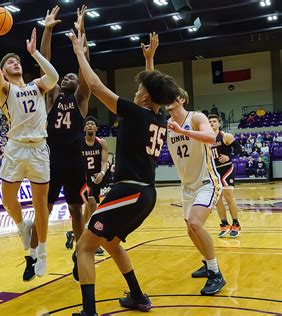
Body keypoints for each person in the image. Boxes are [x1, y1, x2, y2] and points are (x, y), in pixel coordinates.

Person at [68, 31, 180, 315]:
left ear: (144, 97)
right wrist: (150, 60)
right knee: (111, 243)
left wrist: (80, 52)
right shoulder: (159, 117)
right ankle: (139, 296)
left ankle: (89, 312)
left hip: (128, 191)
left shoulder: (135, 112)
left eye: (140, 88)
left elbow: (94, 85)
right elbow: (155, 90)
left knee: (83, 247)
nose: (137, 91)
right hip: (146, 194)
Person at [0, 18, 59, 278]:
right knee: (7, 199)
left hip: (38, 148)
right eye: (9, 63)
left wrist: (34, 53)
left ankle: (42, 254)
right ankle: (21, 226)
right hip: (15, 148)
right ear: (5, 72)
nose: (14, 63)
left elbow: (54, 76)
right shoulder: (4, 89)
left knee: (41, 205)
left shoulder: (37, 86)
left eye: (16, 61)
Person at [24, 5, 91, 282]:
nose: (68, 77)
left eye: (72, 77)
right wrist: (48, 29)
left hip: (74, 161)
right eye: (65, 76)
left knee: (76, 209)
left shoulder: (82, 99)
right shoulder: (50, 97)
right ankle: (32, 256)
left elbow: (85, 69)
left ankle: (79, 253)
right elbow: (45, 61)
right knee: (44, 209)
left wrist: (81, 33)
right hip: (50, 161)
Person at [167, 89, 226, 296]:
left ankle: (216, 273)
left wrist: (183, 132)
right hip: (187, 186)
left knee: (195, 223)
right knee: (190, 231)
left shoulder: (196, 117)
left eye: (172, 96)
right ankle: (208, 263)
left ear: (182, 99)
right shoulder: (166, 125)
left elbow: (210, 137)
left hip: (206, 182)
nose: (167, 100)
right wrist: (148, 61)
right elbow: (153, 88)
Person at [208, 114, 242, 238]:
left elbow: (239, 148)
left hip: (226, 169)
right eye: (209, 121)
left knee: (229, 197)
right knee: (217, 200)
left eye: (214, 121)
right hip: (214, 171)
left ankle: (236, 224)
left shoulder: (225, 136)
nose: (211, 123)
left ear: (219, 123)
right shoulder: (206, 139)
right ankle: (224, 224)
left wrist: (230, 156)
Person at [81, 116, 109, 256]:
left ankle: (76, 234)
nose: (90, 126)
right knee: (92, 205)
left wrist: (102, 173)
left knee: (89, 208)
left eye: (93, 124)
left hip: (96, 178)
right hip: (82, 179)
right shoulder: (79, 143)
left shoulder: (102, 143)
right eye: (88, 124)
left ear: (96, 128)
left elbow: (104, 161)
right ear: (84, 128)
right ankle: (91, 242)